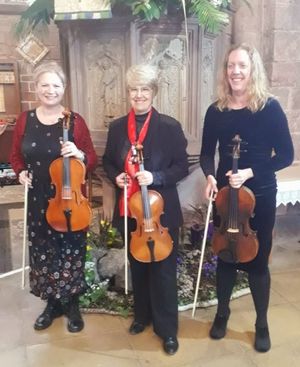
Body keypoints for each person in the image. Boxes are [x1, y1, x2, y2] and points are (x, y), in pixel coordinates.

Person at [200, 43, 294, 352]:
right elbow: (205, 154)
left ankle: (261, 323)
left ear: (252, 69)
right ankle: (222, 313)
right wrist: (211, 176)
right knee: (226, 255)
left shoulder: (270, 107)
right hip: (227, 196)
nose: (235, 72)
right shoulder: (216, 110)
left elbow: (286, 155)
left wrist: (251, 172)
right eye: (230, 66)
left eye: (241, 66)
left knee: (257, 261)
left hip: (261, 193)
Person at [102, 64, 189, 355]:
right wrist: (117, 176)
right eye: (134, 89)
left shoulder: (169, 126)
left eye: (145, 89)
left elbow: (182, 165)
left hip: (161, 213)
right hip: (131, 211)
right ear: (128, 93)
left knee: (163, 270)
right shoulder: (117, 128)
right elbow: (108, 162)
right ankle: (143, 316)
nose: (139, 94)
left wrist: (157, 177)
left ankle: (168, 329)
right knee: (138, 266)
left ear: (153, 92)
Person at [10, 61, 97, 332]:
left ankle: (72, 304)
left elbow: (91, 159)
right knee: (44, 252)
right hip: (38, 200)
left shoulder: (75, 121)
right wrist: (21, 172)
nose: (50, 90)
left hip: (69, 199)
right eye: (45, 85)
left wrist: (79, 153)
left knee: (70, 250)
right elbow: (15, 155)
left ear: (64, 89)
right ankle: (52, 304)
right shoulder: (25, 119)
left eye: (56, 85)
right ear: (36, 88)